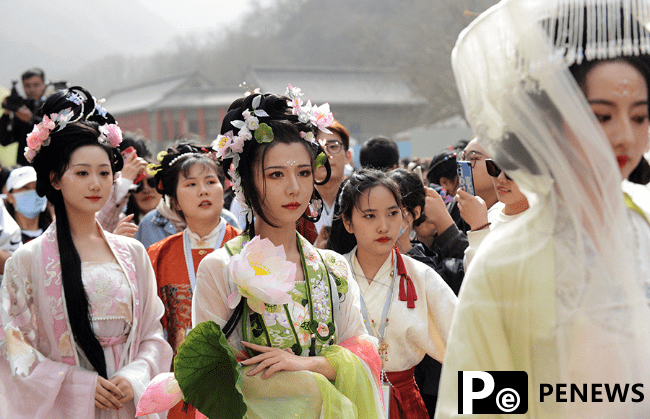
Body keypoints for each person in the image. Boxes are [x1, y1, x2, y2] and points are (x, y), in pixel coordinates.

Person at [435, 0, 650, 417]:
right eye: (602, 117)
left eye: (640, 117)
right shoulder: (505, 260)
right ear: (551, 121)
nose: (624, 136)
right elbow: (485, 407)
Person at [192, 87, 384, 418]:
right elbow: (210, 379)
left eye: (304, 173)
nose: (294, 187)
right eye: (276, 174)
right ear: (245, 180)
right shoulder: (220, 267)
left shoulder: (332, 267)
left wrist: (306, 364)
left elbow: (366, 353)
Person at [0, 86, 172, 418]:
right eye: (82, 173)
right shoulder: (27, 261)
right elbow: (13, 349)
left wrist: (134, 376)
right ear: (55, 178)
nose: (96, 183)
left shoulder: (133, 253)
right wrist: (80, 385)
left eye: (104, 173)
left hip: (126, 402)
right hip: (68, 409)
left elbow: (153, 334)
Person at [328, 169, 457, 419]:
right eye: (369, 216)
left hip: (402, 401)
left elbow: (467, 344)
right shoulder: (331, 272)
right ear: (347, 222)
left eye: (393, 213)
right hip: (343, 401)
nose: (384, 226)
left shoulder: (420, 276)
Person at [146, 143, 240, 419]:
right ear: (173, 199)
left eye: (211, 181)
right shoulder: (158, 255)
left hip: (239, 380)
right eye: (191, 184)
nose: (203, 190)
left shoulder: (247, 249)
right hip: (179, 384)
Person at [462, 158, 530, 268]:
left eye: (511, 172)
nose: (500, 178)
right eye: (495, 168)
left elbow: (483, 278)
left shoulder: (541, 226)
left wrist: (478, 227)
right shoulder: (494, 210)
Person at [314, 119, 352, 247]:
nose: (325, 155)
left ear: (348, 156)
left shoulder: (359, 198)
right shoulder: (297, 200)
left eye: (333, 146)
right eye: (318, 148)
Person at [0, 68, 47, 166]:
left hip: (45, 165)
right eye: (27, 86)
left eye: (36, 85)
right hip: (24, 167)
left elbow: (53, 134)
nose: (32, 90)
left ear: (43, 85)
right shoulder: (22, 108)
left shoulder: (50, 106)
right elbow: (5, 140)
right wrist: (6, 114)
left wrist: (31, 120)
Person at [5, 166, 52, 243]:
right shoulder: (4, 238)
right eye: (25, 187)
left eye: (37, 187)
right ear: (10, 197)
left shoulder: (56, 235)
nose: (33, 193)